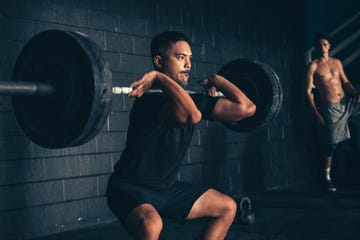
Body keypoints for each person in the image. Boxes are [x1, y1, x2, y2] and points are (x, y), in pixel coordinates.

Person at [106, 31, 256, 239]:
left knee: (227, 207)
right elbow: (190, 115)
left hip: (165, 189)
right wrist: (158, 77)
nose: (188, 64)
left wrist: (218, 80)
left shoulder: (193, 98)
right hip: (130, 189)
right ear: (159, 61)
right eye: (180, 57)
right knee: (151, 225)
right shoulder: (149, 101)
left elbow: (247, 108)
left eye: (190, 58)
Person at [306, 32, 360, 192]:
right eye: (320, 45)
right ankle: (326, 178)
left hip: (347, 103)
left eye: (325, 44)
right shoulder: (313, 66)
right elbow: (307, 91)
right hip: (331, 108)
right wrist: (316, 113)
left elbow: (346, 82)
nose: (323, 47)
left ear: (329, 46)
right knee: (331, 145)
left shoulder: (336, 63)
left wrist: (355, 94)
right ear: (316, 47)